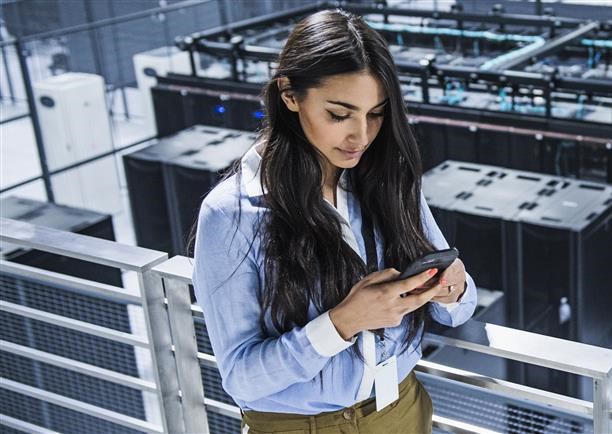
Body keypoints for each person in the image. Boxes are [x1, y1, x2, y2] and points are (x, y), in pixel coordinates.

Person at [191, 9, 477, 434]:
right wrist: (343, 321)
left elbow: (461, 307)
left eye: (376, 114)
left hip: (401, 409)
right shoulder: (232, 213)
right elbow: (241, 378)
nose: (361, 136)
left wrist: (451, 287)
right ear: (289, 95)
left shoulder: (388, 178)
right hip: (299, 426)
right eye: (340, 115)